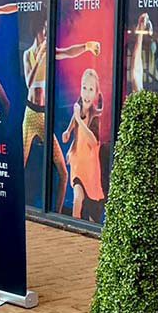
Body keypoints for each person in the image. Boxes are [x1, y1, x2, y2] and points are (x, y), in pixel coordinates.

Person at [21, 14, 100, 212]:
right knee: (19, 164)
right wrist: (40, 57)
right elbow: (29, 82)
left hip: (43, 116)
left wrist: (86, 46)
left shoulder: (50, 52)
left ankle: (55, 213)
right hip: (30, 115)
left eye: (48, 29)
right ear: (37, 30)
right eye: (44, 29)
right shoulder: (29, 55)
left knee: (63, 173)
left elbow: (68, 52)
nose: (46, 33)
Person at [63, 68, 104, 222]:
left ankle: (88, 230)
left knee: (93, 214)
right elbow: (75, 125)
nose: (86, 93)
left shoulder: (95, 117)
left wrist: (80, 121)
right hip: (78, 166)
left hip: (91, 172)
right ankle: (74, 228)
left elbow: (93, 142)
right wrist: (68, 132)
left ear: (96, 94)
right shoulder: (78, 107)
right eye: (84, 88)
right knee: (77, 198)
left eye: (91, 89)